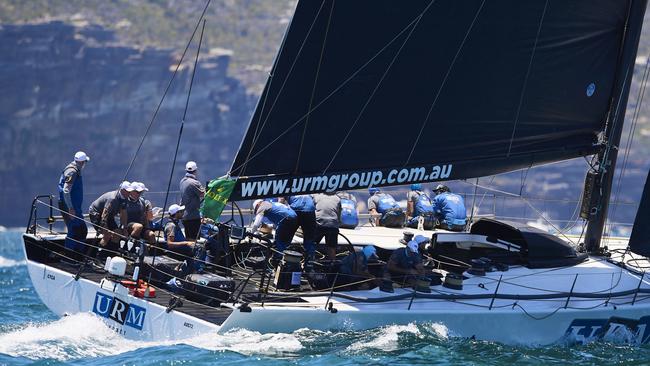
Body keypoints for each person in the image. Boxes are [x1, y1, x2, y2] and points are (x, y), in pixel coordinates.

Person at [57, 151, 90, 252]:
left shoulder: (76, 170)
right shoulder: (72, 172)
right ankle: (68, 256)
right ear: (82, 162)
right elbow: (66, 191)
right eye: (85, 162)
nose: (85, 164)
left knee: (82, 230)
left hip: (75, 207)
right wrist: (70, 208)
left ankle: (79, 255)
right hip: (69, 207)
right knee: (74, 230)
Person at [280, 195, 317, 260]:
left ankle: (281, 259)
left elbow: (280, 202)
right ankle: (310, 263)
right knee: (309, 239)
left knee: (286, 237)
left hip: (295, 210)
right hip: (309, 210)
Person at [99, 181, 135, 247]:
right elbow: (104, 214)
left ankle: (112, 251)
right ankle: (100, 253)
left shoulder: (125, 198)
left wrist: (124, 228)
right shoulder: (113, 198)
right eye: (127, 191)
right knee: (106, 235)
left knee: (118, 233)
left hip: (110, 216)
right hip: (98, 214)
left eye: (130, 191)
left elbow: (123, 213)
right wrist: (105, 227)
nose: (129, 193)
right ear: (122, 190)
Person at [180, 161, 205, 240]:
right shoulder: (194, 183)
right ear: (195, 171)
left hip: (184, 216)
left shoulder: (182, 182)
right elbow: (203, 194)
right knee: (194, 240)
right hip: (193, 217)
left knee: (188, 238)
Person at [312, 192, 341, 260]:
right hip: (333, 226)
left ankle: (309, 262)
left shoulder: (316, 197)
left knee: (312, 244)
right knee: (331, 247)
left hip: (319, 225)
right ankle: (332, 263)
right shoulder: (338, 199)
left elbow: (311, 211)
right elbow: (339, 216)